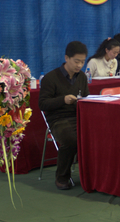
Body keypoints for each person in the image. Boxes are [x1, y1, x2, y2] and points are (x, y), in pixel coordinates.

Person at [38, 41, 90, 191]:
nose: (79, 65)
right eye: (76, 61)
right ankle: (62, 177)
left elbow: (86, 97)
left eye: (82, 62)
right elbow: (42, 104)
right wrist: (63, 100)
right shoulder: (50, 78)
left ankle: (92, 175)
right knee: (72, 140)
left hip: (78, 116)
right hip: (58, 118)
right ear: (66, 58)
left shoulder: (82, 77)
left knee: (98, 135)